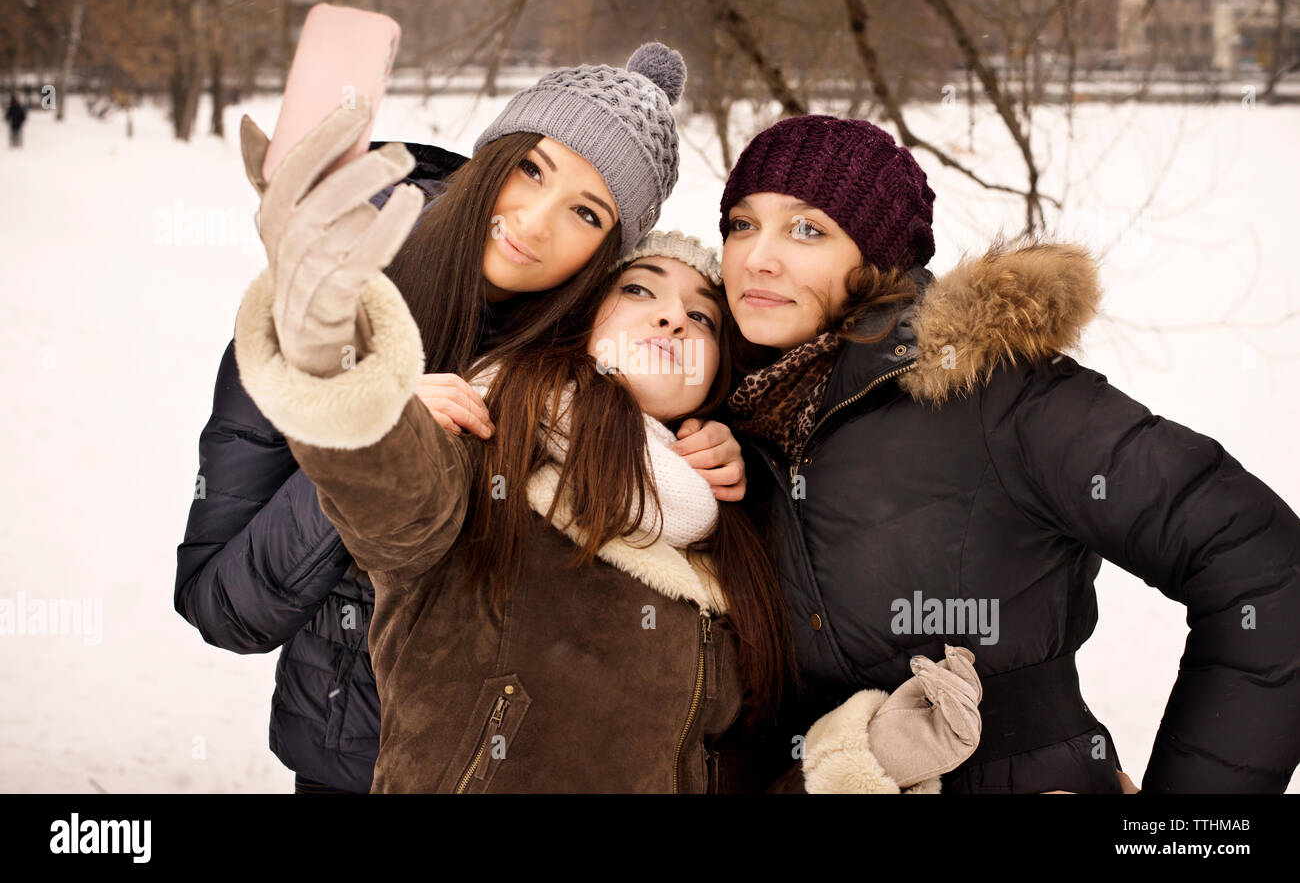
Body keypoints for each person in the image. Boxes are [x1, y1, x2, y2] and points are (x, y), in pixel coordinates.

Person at [230, 186, 984, 790]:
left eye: (702, 316)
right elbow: (393, 509)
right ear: (584, 322)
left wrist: (867, 762)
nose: (671, 314)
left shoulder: (727, 546)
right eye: (640, 290)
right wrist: (344, 373)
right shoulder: (484, 447)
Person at [175, 44, 749, 793]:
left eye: (585, 212)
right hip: (352, 764)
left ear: (607, 254)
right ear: (493, 152)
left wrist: (711, 443)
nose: (535, 223)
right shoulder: (326, 300)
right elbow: (223, 605)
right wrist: (369, 438)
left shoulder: (581, 356)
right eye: (531, 168)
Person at [717, 114, 1300, 793]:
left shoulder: (994, 392)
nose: (757, 256)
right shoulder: (733, 417)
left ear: (876, 260)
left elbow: (1263, 565)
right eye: (740, 223)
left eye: (807, 228)